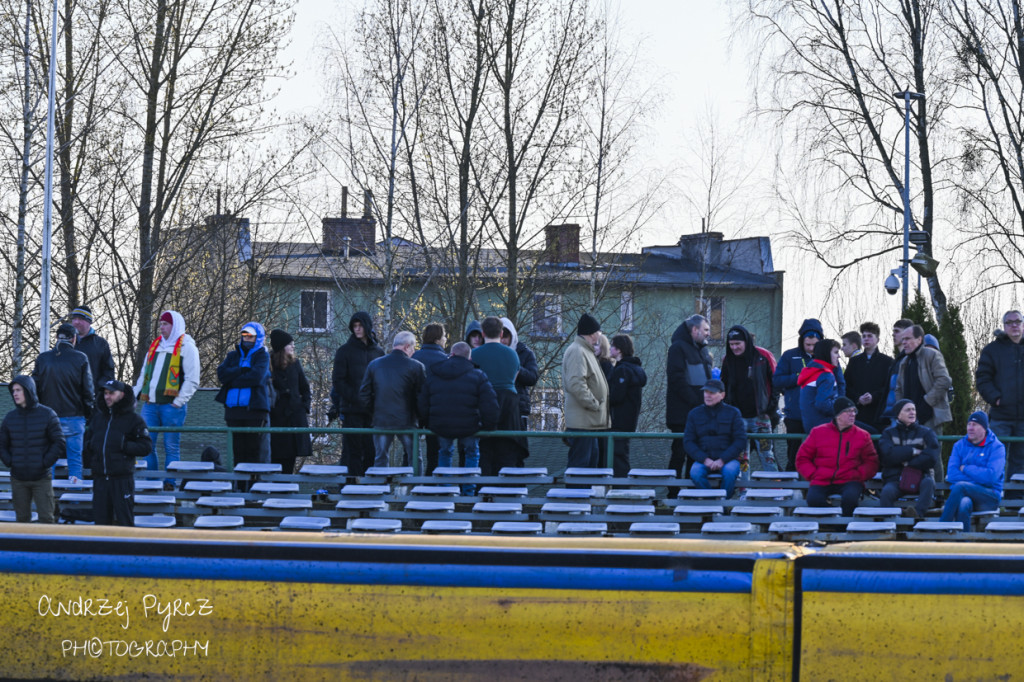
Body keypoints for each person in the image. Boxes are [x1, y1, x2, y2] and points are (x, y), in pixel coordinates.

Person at [418, 342, 499, 490]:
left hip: (441, 425)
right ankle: (468, 491)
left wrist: (426, 422)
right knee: (472, 453)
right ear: (469, 358)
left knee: (444, 453)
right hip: (470, 425)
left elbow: (423, 402)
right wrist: (489, 426)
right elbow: (490, 404)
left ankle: (444, 490)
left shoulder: (435, 373)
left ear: (451, 354)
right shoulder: (478, 375)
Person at [134, 310, 200, 489]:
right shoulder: (155, 345)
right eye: (160, 324)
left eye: (165, 324)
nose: (161, 327)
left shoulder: (187, 347)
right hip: (150, 405)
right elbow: (143, 374)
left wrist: (178, 402)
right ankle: (152, 482)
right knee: (147, 445)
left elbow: (193, 379)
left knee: (171, 446)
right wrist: (134, 394)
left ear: (175, 325)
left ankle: (170, 483)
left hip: (172, 406)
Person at [796, 397, 879, 516]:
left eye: (854, 411)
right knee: (813, 500)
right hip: (822, 480)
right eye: (848, 411)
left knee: (850, 499)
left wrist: (859, 475)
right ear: (838, 415)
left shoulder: (863, 435)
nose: (852, 414)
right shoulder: (818, 432)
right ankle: (834, 523)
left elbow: (871, 462)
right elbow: (802, 458)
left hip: (850, 480)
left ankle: (842, 527)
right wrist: (814, 474)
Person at [32, 323, 94, 482]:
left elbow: (33, 388)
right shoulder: (81, 358)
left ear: (56, 338)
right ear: (74, 338)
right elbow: (88, 391)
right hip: (75, 417)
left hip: (48, 417)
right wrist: (89, 413)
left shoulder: (43, 358)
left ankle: (48, 501)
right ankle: (75, 500)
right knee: (75, 460)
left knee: (48, 461)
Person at [85, 380, 152, 526]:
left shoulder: (134, 420)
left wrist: (124, 445)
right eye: (105, 393)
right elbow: (88, 443)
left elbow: (145, 447)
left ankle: (128, 549)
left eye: (111, 393)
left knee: (125, 522)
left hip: (122, 480)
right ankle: (102, 549)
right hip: (100, 479)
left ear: (121, 395)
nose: (107, 397)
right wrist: (92, 450)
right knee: (101, 523)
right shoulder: (97, 419)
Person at [0, 376, 65, 523]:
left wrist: (44, 462)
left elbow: (59, 442)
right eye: (13, 391)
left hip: (41, 478)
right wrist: (10, 461)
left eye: (19, 390)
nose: (15, 393)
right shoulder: (10, 418)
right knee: (22, 521)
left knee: (47, 519)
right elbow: (2, 444)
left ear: (29, 391)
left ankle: (48, 547)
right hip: (18, 479)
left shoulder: (48, 414)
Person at [359, 331, 426, 468]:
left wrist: (375, 411)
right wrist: (419, 417)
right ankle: (415, 487)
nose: (413, 351)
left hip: (381, 419)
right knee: (415, 458)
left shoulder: (375, 365)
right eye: (413, 348)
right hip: (407, 421)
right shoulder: (416, 366)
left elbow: (364, 394)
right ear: (407, 346)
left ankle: (380, 488)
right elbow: (422, 397)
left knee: (380, 458)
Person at [330, 311, 385, 476]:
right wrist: (355, 398)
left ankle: (368, 489)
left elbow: (382, 381)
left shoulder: (378, 352)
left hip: (372, 411)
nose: (357, 329)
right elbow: (338, 381)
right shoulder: (344, 351)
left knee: (371, 451)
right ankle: (352, 487)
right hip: (352, 409)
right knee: (352, 452)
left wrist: (374, 401)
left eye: (360, 325)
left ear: (367, 326)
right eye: (354, 326)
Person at [896, 324, 952, 479]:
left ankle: (938, 495)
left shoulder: (931, 355)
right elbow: (898, 388)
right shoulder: (904, 362)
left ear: (919, 339)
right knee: (910, 456)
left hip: (930, 416)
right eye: (902, 339)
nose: (904, 343)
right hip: (909, 419)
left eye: (907, 339)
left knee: (932, 457)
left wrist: (926, 403)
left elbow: (944, 381)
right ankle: (914, 492)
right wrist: (901, 410)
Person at [976, 310, 1024, 487]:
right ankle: (994, 499)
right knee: (996, 459)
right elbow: (982, 379)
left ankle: (1015, 503)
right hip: (1001, 416)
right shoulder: (992, 350)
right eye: (1010, 322)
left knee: (1021, 464)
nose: (1014, 325)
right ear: (1004, 326)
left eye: (1017, 321)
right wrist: (996, 399)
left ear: (1023, 324)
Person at [721, 325, 778, 472]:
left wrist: (771, 408)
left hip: (761, 416)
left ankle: (777, 492)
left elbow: (776, 382)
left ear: (746, 342)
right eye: (731, 344)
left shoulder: (763, 356)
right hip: (738, 418)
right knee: (741, 458)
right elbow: (724, 385)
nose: (734, 348)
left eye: (737, 344)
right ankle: (743, 493)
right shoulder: (727, 360)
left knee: (767, 455)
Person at [473, 316, 527, 473]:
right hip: (510, 409)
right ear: (502, 333)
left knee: (484, 453)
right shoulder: (512, 355)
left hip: (482, 407)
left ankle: (483, 493)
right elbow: (514, 377)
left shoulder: (474, 354)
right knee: (507, 454)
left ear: (483, 334)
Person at [216, 322, 273, 468]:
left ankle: (251, 486)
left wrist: (233, 379)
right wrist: (242, 370)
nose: (247, 339)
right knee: (238, 451)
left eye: (251, 336)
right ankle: (239, 488)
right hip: (233, 411)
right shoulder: (232, 355)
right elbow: (222, 374)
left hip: (254, 411)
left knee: (253, 451)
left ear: (258, 337)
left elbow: (257, 377)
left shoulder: (263, 356)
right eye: (244, 335)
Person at [774, 318, 824, 471]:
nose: (810, 348)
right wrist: (798, 378)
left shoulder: (826, 357)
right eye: (807, 344)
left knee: (818, 456)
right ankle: (793, 492)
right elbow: (777, 380)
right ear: (801, 340)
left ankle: (814, 491)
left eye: (814, 345)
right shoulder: (790, 356)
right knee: (794, 457)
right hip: (795, 415)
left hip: (819, 415)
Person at [940, 412, 1005, 531]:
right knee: (964, 503)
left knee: (960, 486)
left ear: (984, 428)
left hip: (989, 497)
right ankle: (964, 543)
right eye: (969, 424)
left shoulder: (997, 447)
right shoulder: (959, 445)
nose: (970, 427)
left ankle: (941, 528)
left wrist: (965, 468)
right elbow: (952, 475)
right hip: (964, 495)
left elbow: (991, 477)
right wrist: (977, 481)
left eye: (974, 424)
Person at [666, 314, 713, 478]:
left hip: (700, 414)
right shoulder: (678, 348)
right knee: (679, 453)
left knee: (696, 455)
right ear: (695, 329)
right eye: (705, 329)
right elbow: (676, 379)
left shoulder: (702, 351)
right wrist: (696, 402)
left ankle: (692, 492)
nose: (708, 333)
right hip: (682, 415)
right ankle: (673, 493)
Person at [562, 313, 610, 469]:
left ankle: (582, 493)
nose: (600, 335)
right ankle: (576, 494)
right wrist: (594, 405)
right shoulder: (578, 351)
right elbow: (576, 383)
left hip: (588, 422)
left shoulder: (584, 351)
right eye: (598, 332)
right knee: (581, 467)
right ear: (592, 333)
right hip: (583, 422)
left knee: (589, 466)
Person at [685, 379, 747, 499]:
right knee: (695, 472)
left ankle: (722, 502)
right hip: (703, 460)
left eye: (712, 393)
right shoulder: (694, 414)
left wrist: (722, 460)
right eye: (706, 392)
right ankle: (713, 503)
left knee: (729, 473)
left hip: (728, 460)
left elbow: (740, 440)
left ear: (722, 395)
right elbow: (688, 442)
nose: (708, 395)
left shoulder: (733, 413)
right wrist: (705, 460)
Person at [877, 399, 939, 518]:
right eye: (908, 410)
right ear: (898, 414)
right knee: (886, 492)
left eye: (913, 409)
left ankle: (917, 515)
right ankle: (890, 522)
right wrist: (913, 451)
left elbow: (931, 458)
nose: (912, 412)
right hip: (895, 479)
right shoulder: (888, 433)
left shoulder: (927, 433)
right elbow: (887, 456)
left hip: (920, 476)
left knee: (929, 483)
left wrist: (907, 462)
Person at [269, 329, 312, 474]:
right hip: (277, 418)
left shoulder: (295, 364)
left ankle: (286, 492)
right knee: (275, 459)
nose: (293, 347)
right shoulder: (269, 364)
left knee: (290, 460)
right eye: (290, 344)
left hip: (294, 418)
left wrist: (304, 406)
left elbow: (305, 388)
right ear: (282, 347)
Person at [608, 334, 647, 478]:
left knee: (618, 456)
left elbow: (616, 396)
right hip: (630, 420)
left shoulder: (622, 370)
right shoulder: (635, 369)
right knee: (622, 453)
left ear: (619, 350)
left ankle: (620, 488)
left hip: (619, 419)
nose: (610, 349)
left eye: (612, 346)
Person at [412, 323, 448, 475]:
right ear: (438, 339)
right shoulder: (444, 360)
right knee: (435, 451)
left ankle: (411, 484)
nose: (446, 339)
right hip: (436, 410)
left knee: (411, 450)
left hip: (414, 409)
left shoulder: (414, 357)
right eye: (444, 336)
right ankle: (432, 484)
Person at [845, 321, 893, 432]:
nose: (866, 339)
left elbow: (889, 387)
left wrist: (874, 397)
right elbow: (847, 386)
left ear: (877, 339)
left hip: (879, 416)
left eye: (870, 336)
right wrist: (858, 399)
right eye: (864, 336)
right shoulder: (854, 362)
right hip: (858, 414)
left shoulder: (887, 362)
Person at [69, 305, 115, 401]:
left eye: (81, 319)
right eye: (74, 318)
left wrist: (97, 390)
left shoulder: (100, 344)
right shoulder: (65, 343)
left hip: (93, 400)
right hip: (67, 398)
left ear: (89, 322)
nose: (76, 322)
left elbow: (108, 372)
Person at [500, 317, 539, 431]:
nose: (503, 341)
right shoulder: (494, 354)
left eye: (506, 337)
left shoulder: (525, 353)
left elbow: (533, 378)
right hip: (499, 407)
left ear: (512, 336)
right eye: (500, 337)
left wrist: (517, 369)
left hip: (519, 408)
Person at [798, 339, 843, 432]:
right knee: (870, 433)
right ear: (826, 353)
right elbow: (823, 404)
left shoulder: (811, 372)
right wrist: (842, 408)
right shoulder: (826, 375)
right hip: (826, 427)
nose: (839, 356)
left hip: (811, 427)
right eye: (836, 352)